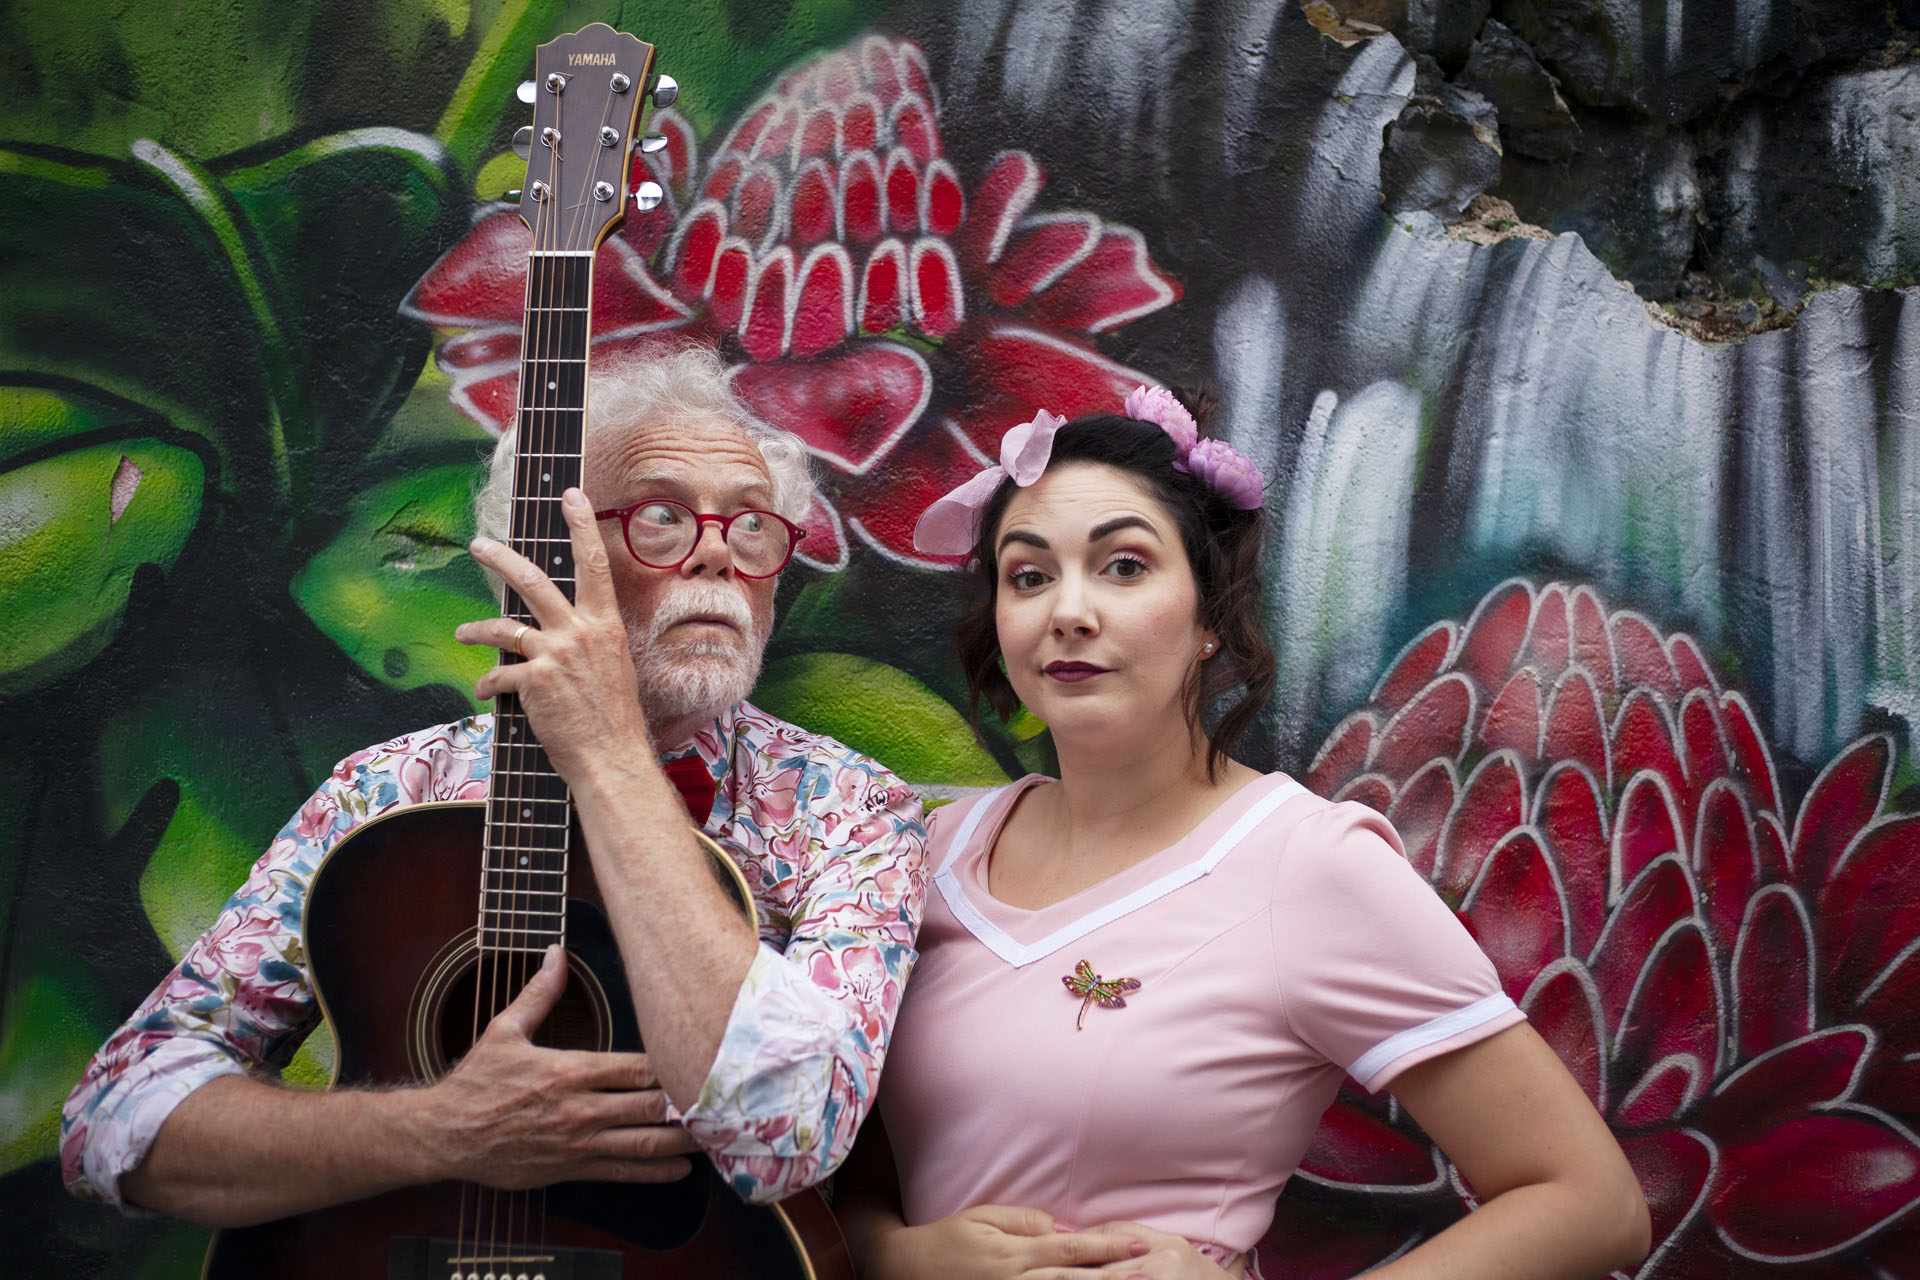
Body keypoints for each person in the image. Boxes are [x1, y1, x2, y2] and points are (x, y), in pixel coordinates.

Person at [61, 342, 927, 1223]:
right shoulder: (390, 791)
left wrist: (609, 754)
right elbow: (111, 1116)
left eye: (751, 524)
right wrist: (435, 1133)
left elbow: (788, 1136)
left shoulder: (851, 811)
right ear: (540, 564)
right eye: (663, 515)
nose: (720, 556)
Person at [836, 389, 1649, 1279]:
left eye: (1124, 566)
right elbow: (858, 1173)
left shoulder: (1306, 867)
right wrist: (890, 1256)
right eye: (1028, 576)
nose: (1068, 611)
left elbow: (1591, 1203)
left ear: (1210, 618)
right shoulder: (929, 856)